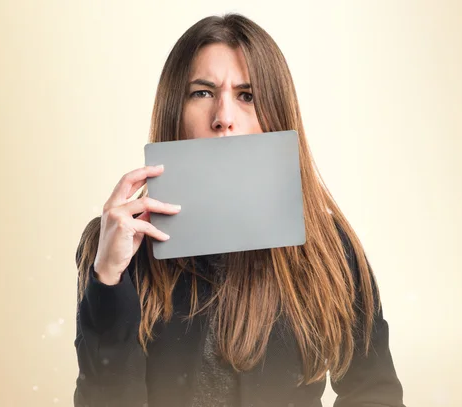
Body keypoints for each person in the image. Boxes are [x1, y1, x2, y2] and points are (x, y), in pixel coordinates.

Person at [73, 13, 405, 407]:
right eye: (202, 92)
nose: (223, 119)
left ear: (274, 115)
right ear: (173, 112)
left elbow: (375, 393)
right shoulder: (116, 245)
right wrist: (108, 277)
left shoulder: (330, 248)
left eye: (246, 96)